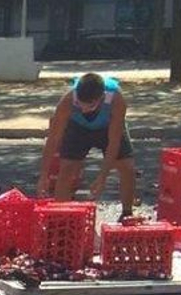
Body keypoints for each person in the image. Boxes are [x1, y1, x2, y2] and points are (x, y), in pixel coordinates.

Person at [39, 72, 135, 218]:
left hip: (107, 126)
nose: (84, 110)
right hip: (78, 127)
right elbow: (53, 139)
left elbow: (114, 142)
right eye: (79, 104)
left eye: (89, 106)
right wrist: (44, 175)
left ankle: (127, 213)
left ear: (102, 98)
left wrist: (102, 177)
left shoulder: (116, 99)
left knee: (127, 166)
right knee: (67, 168)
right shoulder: (68, 100)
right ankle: (59, 217)